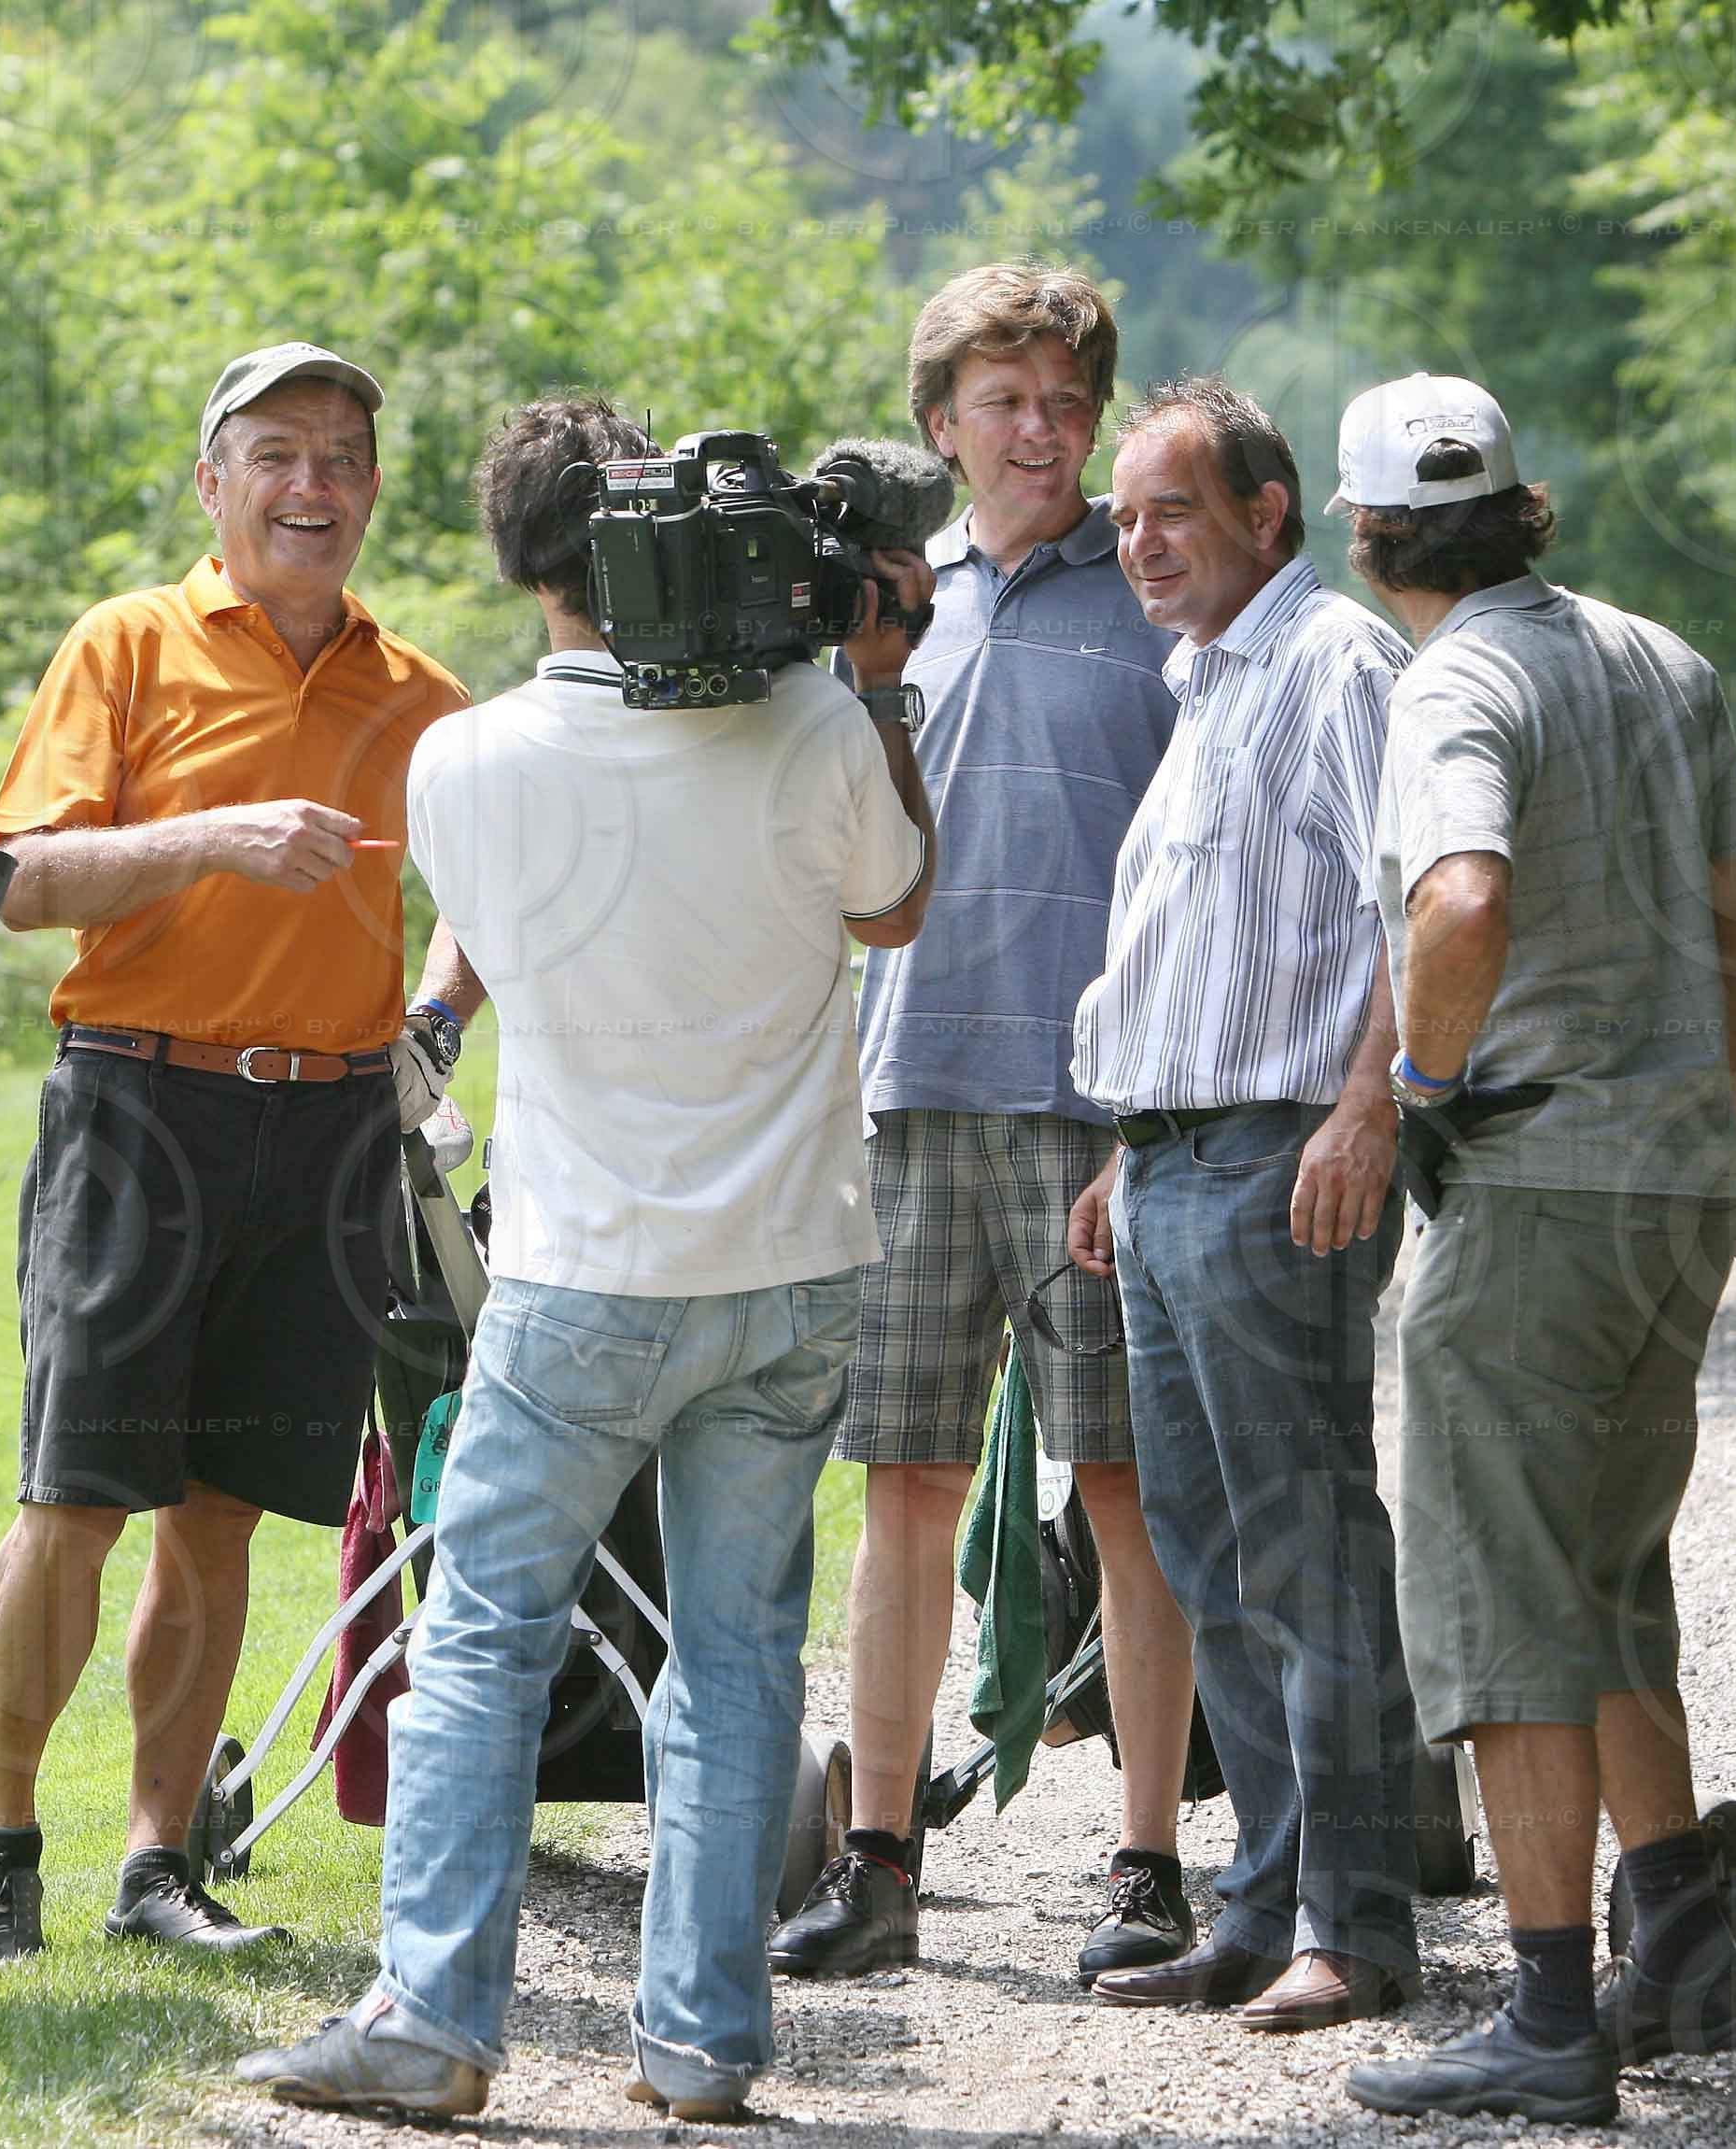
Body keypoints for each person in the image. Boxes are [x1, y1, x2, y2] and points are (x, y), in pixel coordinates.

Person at [236, 396, 937, 2120]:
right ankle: (701, 2041)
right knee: (739, 1655)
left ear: (522, 560)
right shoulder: (810, 722)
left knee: (483, 1637)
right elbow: (899, 900)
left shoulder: (461, 759)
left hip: (583, 1273)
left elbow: (504, 931)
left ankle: (435, 2019)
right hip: (789, 1265)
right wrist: (871, 682)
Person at [0, 343, 470, 1967]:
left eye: (342, 457)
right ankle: (0, 1847)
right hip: (140, 1105)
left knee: (224, 1512)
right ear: (212, 483)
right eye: (276, 455)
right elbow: (21, 884)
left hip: (330, 1128)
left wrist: (437, 1019)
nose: (312, 485)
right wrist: (215, 839)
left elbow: (507, 880)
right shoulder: (126, 643)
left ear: (372, 490)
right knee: (74, 1499)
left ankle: (156, 1860)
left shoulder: (422, 694)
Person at [1332, 375, 1736, 2126]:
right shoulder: (1664, 660)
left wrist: (1421, 1088)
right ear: (1520, 505)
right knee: (1604, 1565)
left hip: (1533, 1185)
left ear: (1371, 537)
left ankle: (1542, 2015)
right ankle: (1677, 1932)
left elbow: (1461, 897)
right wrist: (1729, 1161)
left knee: (1508, 1598)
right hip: (1672, 1182)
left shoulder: (1452, 681)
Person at [769, 262, 1199, 1988]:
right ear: (940, 425)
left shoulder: (1160, 593)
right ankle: (879, 1858)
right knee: (907, 1484)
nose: (1043, 432)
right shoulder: (879, 608)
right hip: (909, 1101)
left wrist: (1155, 1113)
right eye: (1005, 403)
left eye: (1068, 403)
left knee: (1126, 1491)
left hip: (1103, 1113)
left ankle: (1150, 1861)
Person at [1064, 375, 1427, 2029]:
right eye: (1125, 517)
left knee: (1307, 1549)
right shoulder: (1207, 679)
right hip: (1170, 1168)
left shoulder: (1336, 663)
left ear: (1267, 514)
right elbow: (1201, 958)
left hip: (1282, 1161)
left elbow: (1415, 902)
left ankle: (1360, 1925)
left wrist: (1369, 1106)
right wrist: (1126, 1152)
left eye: (1174, 512)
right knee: (1208, 1556)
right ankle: (1261, 1908)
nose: (1140, 543)